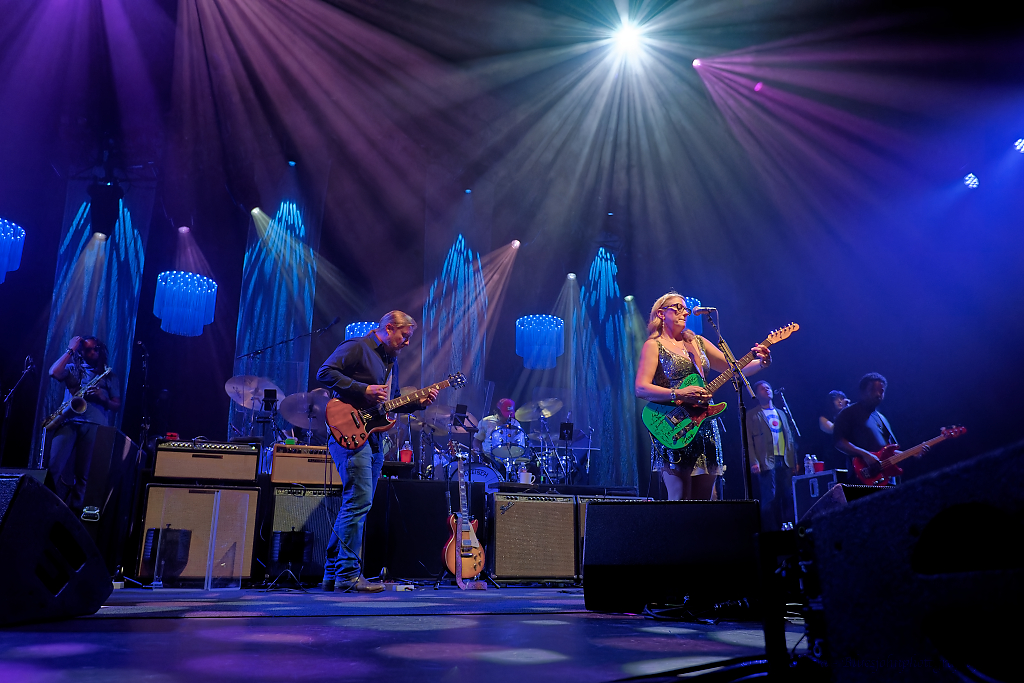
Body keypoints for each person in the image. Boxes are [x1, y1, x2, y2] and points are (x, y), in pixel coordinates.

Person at [316, 311, 438, 592]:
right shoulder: (357, 346)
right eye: (404, 336)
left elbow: (387, 407)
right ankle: (347, 576)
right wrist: (362, 388)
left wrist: (418, 403)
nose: (407, 342)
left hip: (371, 438)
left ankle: (332, 575)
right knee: (357, 504)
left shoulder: (389, 360)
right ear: (389, 328)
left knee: (357, 505)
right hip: (348, 433)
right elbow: (324, 372)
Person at [635, 292, 772, 501]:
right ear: (661, 313)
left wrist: (761, 362)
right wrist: (679, 393)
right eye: (677, 307)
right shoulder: (654, 345)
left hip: (705, 425)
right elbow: (641, 388)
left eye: (686, 309)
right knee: (680, 501)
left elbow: (734, 368)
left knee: (705, 504)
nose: (684, 312)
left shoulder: (697, 343)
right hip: (673, 426)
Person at [46, 335, 120, 513]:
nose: (93, 352)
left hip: (95, 426)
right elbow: (53, 372)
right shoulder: (72, 369)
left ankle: (76, 515)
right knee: (53, 468)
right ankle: (46, 507)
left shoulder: (109, 376)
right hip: (69, 421)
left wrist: (103, 399)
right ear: (81, 352)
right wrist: (70, 349)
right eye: (88, 349)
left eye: (96, 348)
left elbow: (116, 405)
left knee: (84, 475)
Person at [833, 373, 916, 484]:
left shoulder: (882, 418)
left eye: (881, 391)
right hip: (862, 477)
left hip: (886, 478)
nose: (878, 394)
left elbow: (889, 450)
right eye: (873, 390)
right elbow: (839, 441)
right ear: (862, 392)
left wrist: (913, 453)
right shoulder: (848, 413)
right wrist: (865, 454)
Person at [746, 381, 797, 531]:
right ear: (756, 394)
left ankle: (788, 528)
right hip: (766, 460)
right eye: (762, 389)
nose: (766, 390)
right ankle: (771, 532)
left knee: (787, 495)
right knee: (770, 497)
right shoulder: (752, 414)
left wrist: (794, 460)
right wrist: (753, 461)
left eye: (767, 387)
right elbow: (749, 440)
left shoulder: (781, 412)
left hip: (784, 459)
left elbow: (790, 438)